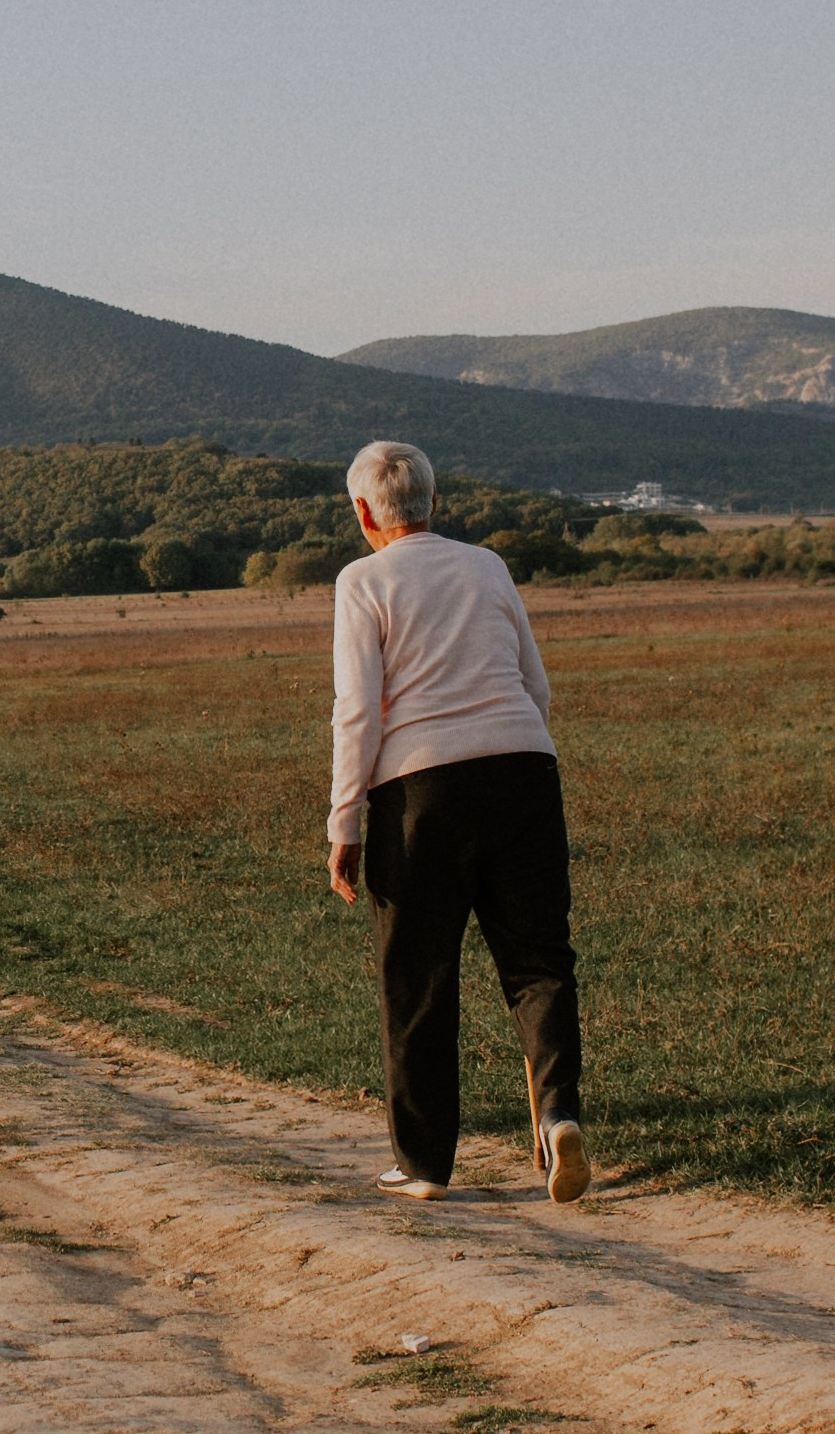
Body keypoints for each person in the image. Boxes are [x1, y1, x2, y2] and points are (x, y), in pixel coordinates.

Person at [326, 441, 590, 1205]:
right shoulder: (489, 567)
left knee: (419, 975)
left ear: (362, 511)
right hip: (524, 769)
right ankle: (558, 1117)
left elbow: (357, 710)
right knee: (539, 960)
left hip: (420, 789)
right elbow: (534, 684)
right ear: (433, 503)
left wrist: (345, 821)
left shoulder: (360, 581)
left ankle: (425, 1164)